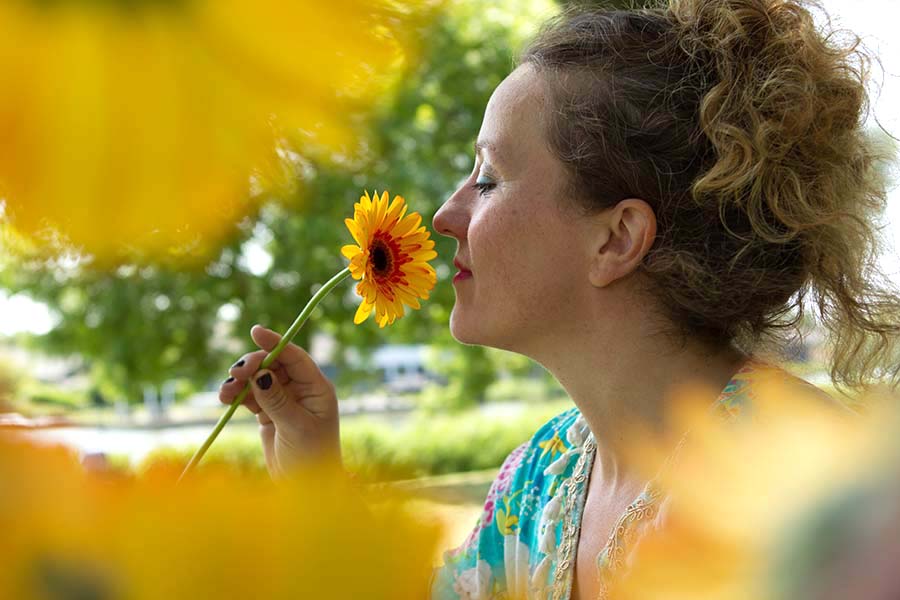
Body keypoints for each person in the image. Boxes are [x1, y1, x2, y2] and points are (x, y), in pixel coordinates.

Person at [219, 0, 900, 597]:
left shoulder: (809, 497)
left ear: (616, 239)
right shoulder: (540, 484)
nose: (444, 216)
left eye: (488, 179)